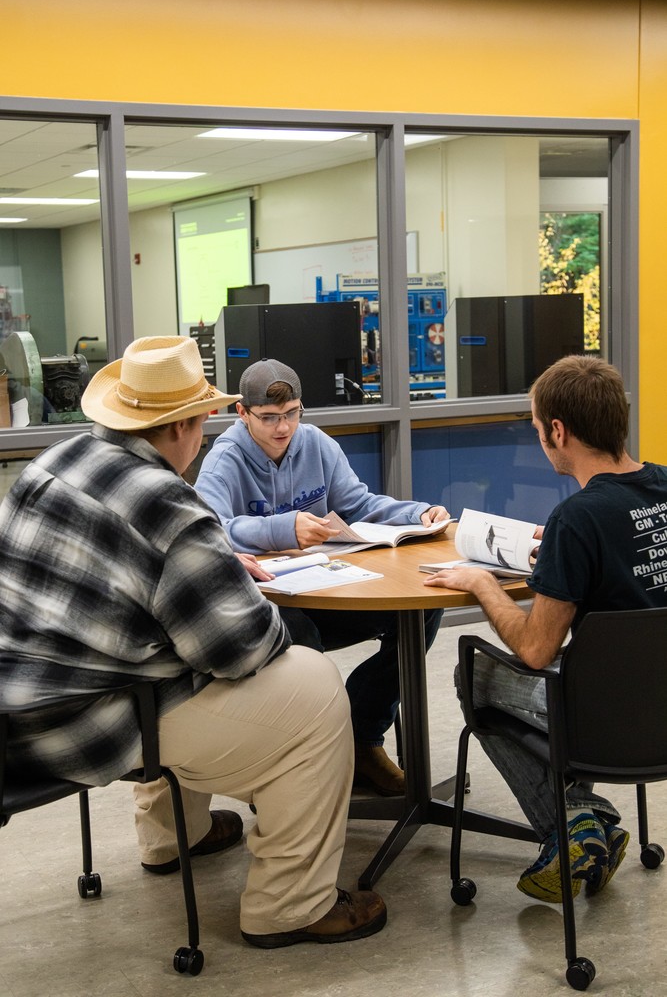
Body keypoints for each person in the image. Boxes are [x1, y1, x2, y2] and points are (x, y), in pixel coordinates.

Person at [0, 336, 387, 948]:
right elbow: (242, 648)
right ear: (189, 424)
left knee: (166, 651)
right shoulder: (168, 505)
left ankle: (173, 837)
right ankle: (291, 904)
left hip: (17, 713)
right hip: (91, 726)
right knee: (310, 687)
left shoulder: (51, 464)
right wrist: (232, 584)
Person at [424, 354, 667, 903]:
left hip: (607, 722)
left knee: (476, 676)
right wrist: (556, 563)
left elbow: (536, 651)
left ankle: (577, 819)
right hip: (661, 710)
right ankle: (581, 820)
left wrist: (483, 583)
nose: (540, 440)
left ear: (558, 430)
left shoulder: (576, 519)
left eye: (538, 430)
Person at [195, 358, 449, 796]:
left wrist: (417, 513)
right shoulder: (223, 461)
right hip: (273, 604)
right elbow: (210, 530)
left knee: (421, 609)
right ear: (242, 414)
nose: (283, 428)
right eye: (269, 418)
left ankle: (362, 737)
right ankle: (303, 770)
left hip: (326, 586)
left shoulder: (316, 443)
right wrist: (282, 527)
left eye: (292, 413)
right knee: (302, 644)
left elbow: (358, 503)